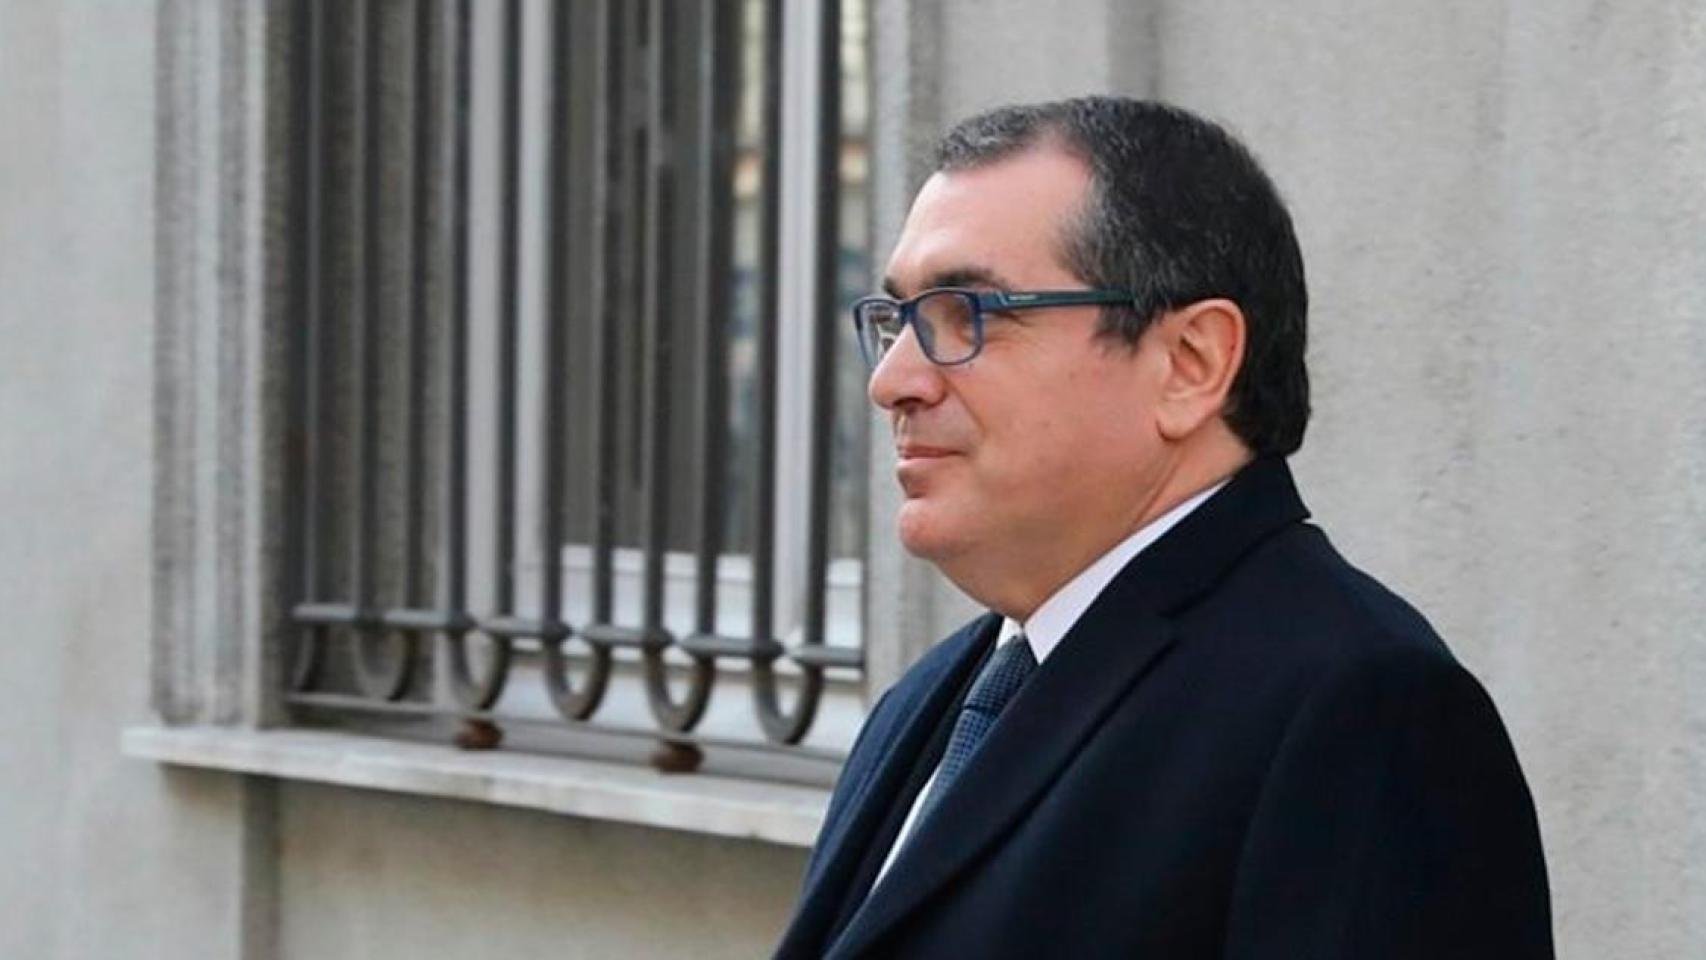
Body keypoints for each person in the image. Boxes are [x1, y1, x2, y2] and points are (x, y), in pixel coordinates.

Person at [774, 97, 1552, 959]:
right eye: (898, 321)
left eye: (973, 315)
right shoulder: (937, 699)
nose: (894, 380)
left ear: (1191, 363)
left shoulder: (1360, 711)